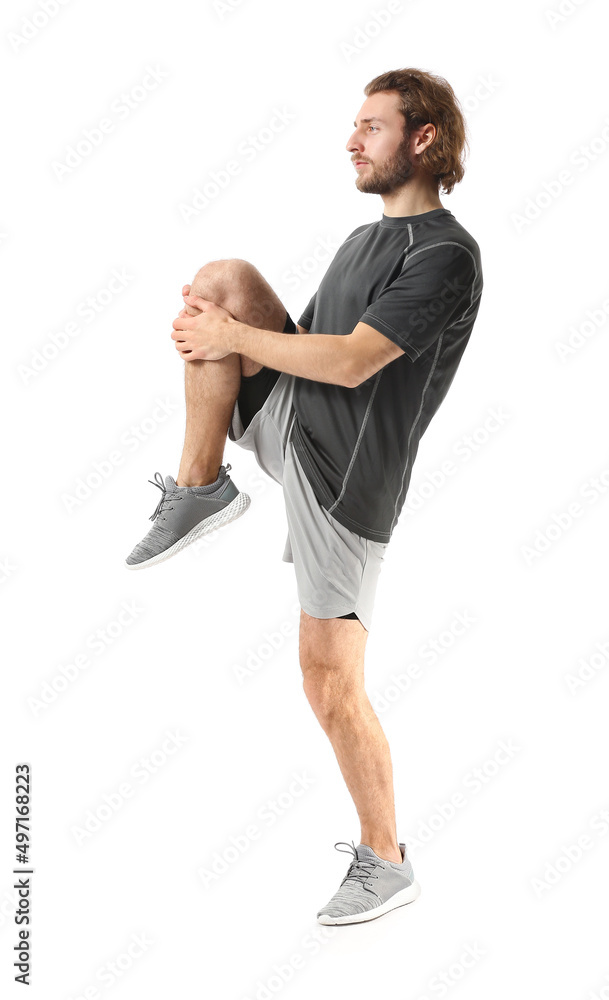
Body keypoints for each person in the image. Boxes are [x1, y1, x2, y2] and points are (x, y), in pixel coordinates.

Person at [125, 67, 483, 925]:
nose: (352, 140)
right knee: (223, 277)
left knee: (328, 685)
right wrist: (224, 327)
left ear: (421, 139)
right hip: (298, 425)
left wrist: (230, 339)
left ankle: (385, 859)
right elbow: (301, 346)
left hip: (345, 484)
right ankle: (200, 485)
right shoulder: (364, 242)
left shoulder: (444, 254)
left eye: (371, 126)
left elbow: (354, 360)